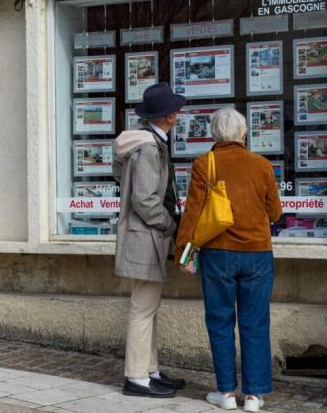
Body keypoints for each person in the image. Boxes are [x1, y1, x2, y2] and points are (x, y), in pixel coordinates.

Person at [175, 107, 282, 412]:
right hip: (257, 254)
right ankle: (253, 396)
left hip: (217, 253)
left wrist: (183, 254)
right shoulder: (262, 165)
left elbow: (193, 213)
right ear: (244, 134)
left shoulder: (204, 164)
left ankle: (225, 392)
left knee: (220, 322)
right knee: (256, 323)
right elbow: (275, 212)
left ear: (214, 134)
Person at [113, 82, 187, 398]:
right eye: (177, 111)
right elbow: (144, 199)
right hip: (147, 236)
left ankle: (149, 370)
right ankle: (136, 378)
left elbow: (123, 178)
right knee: (143, 308)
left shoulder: (144, 142)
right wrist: (170, 224)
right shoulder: (147, 148)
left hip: (146, 235)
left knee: (148, 307)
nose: (180, 115)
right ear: (169, 116)